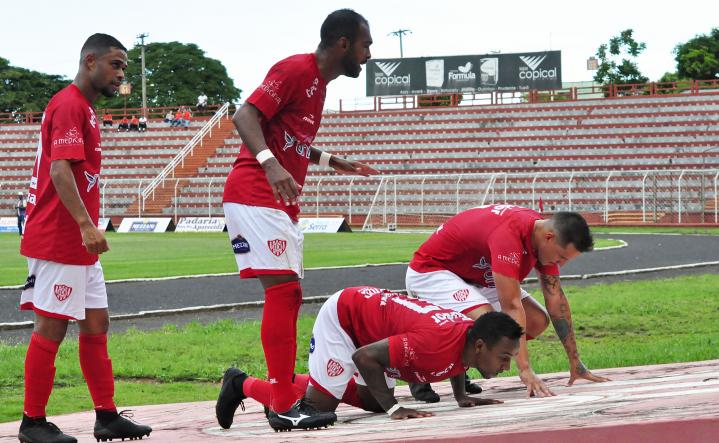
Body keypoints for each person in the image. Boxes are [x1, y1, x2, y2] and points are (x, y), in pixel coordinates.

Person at [218, 8, 378, 431]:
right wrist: (271, 165)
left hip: (276, 200)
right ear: (343, 43)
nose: (368, 54)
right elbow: (244, 115)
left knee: (288, 294)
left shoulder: (318, 85)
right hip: (255, 191)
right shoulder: (295, 69)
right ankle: (283, 402)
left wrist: (332, 160)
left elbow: (292, 139)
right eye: (366, 45)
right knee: (285, 294)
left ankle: (247, 386)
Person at [17, 33, 152, 443]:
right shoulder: (70, 104)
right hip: (60, 237)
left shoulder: (86, 109)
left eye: (124, 67)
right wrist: (85, 225)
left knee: (96, 323)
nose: (121, 73)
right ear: (90, 61)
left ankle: (106, 416)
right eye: (115, 64)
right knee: (52, 326)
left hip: (77, 243)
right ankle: (32, 422)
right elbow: (60, 171)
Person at [216, 286, 523, 431]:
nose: (506, 366)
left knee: (372, 400)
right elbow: (364, 357)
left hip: (374, 326)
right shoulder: (434, 342)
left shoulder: (469, 337)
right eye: (504, 358)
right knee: (319, 409)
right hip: (345, 318)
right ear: (481, 346)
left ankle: (299, 383)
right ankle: (242, 384)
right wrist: (394, 408)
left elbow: (459, 357)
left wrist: (461, 395)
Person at [405, 204, 610, 403]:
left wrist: (575, 361)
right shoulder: (509, 235)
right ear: (549, 237)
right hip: (432, 271)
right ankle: (418, 370)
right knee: (488, 321)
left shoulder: (541, 237)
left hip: (475, 276)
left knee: (537, 320)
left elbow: (555, 298)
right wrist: (525, 369)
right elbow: (511, 307)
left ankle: (463, 363)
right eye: (561, 258)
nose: (561, 265)